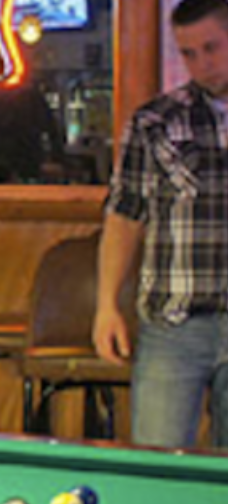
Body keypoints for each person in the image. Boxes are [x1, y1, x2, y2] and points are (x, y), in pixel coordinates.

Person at [92, 0, 228, 448]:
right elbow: (124, 216)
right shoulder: (155, 122)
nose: (202, 64)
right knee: (157, 462)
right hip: (173, 322)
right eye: (189, 53)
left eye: (212, 48)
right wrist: (107, 305)